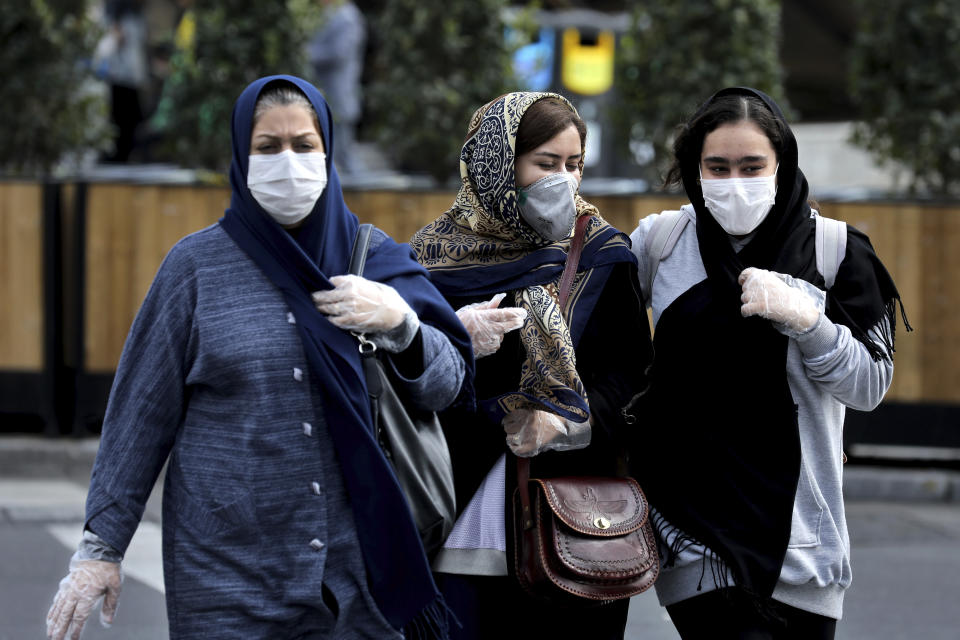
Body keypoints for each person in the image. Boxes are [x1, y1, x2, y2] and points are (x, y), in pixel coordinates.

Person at [45, 74, 473, 640]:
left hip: (358, 578)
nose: (288, 162)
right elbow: (139, 415)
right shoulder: (195, 269)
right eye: (267, 148)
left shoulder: (376, 262)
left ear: (328, 153)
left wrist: (401, 325)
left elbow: (446, 388)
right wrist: (101, 549)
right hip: (227, 575)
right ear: (241, 158)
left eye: (304, 145)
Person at [627, 86, 910, 639]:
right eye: (718, 166)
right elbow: (608, 345)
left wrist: (808, 321)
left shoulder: (837, 252)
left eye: (752, 165)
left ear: (781, 163)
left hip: (804, 538)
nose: (735, 182)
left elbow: (869, 384)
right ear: (695, 167)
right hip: (692, 536)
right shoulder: (660, 243)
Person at [410, 92, 654, 639]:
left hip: (568, 530)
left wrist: (567, 423)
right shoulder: (428, 259)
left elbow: (632, 381)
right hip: (453, 521)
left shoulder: (604, 256)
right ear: (498, 164)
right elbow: (401, 385)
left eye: (573, 166)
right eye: (544, 164)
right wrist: (456, 343)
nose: (561, 182)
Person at [307, 0, 367, 175]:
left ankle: (357, 190)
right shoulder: (329, 14)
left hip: (339, 90)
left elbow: (338, 52)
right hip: (325, 92)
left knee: (343, 154)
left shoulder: (347, 17)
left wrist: (306, 53)